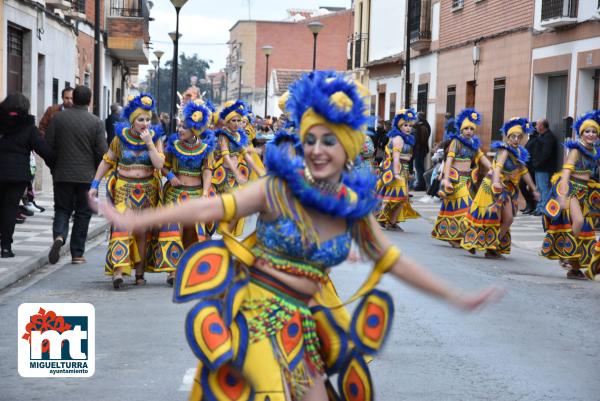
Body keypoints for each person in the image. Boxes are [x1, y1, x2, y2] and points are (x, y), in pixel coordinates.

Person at [95, 70, 502, 400]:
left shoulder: (350, 210)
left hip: (302, 326)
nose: (317, 150)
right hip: (254, 317)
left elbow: (393, 261)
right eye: (310, 140)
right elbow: (211, 207)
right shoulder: (280, 188)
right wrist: (136, 221)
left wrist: (457, 298)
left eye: (329, 141)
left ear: (348, 147)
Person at [89, 93, 164, 288]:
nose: (145, 123)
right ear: (132, 120)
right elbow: (107, 161)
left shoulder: (155, 138)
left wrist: (149, 143)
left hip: (148, 189)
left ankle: (139, 274)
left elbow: (159, 163)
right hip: (124, 188)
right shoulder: (120, 138)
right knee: (122, 227)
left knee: (141, 231)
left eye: (148, 119)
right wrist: (95, 185)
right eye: (141, 119)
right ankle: (118, 271)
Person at [461, 118, 540, 259]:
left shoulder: (520, 152)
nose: (515, 140)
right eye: (513, 136)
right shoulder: (504, 150)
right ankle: (481, 245)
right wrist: (496, 183)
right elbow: (497, 167)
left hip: (507, 188)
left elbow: (524, 171)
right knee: (490, 217)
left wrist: (534, 188)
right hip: (492, 185)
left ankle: (491, 245)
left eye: (518, 137)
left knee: (508, 219)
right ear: (508, 137)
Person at [45, 85, 107, 265]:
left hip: (62, 174)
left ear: (73, 99)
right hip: (86, 177)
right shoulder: (96, 122)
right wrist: (97, 173)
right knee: (82, 214)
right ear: (89, 101)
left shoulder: (57, 119)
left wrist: (55, 166)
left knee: (62, 209)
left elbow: (48, 146)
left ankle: (59, 236)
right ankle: (77, 254)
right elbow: (102, 152)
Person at [157, 99, 215, 286]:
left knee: (194, 233)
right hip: (175, 194)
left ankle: (193, 270)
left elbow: (208, 171)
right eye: (180, 125)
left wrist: (205, 192)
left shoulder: (206, 148)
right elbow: (164, 167)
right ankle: (173, 271)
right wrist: (171, 175)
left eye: (184, 127)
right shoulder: (173, 145)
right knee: (173, 231)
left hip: (196, 194)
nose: (179, 129)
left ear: (194, 131)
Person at [541, 110, 600, 280]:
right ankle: (565, 254)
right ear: (581, 133)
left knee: (586, 231)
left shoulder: (595, 151)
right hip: (571, 190)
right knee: (579, 221)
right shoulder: (576, 149)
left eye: (594, 131)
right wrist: (562, 194)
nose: (590, 134)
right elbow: (566, 171)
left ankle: (574, 269)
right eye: (587, 131)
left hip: (585, 192)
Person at [0, 93, 53, 258]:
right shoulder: (29, 127)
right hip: (17, 176)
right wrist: (56, 163)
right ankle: (6, 247)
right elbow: (43, 149)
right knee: (10, 209)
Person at [431, 108, 491, 247]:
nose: (469, 131)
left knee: (455, 209)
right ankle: (461, 237)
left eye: (471, 128)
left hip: (468, 181)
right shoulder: (456, 142)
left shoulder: (474, 144)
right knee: (466, 208)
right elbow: (449, 160)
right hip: (455, 180)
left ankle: (454, 237)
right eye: (466, 128)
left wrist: (493, 169)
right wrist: (446, 178)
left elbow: (482, 158)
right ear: (461, 130)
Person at [212, 100, 264, 235]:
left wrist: (259, 171)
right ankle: (223, 233)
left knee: (238, 207)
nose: (236, 123)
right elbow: (226, 156)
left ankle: (227, 233)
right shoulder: (223, 135)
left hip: (235, 175)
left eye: (238, 120)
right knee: (231, 206)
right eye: (233, 121)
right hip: (223, 174)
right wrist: (236, 173)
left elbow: (245, 154)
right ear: (228, 122)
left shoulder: (240, 135)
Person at [376, 108, 421, 231]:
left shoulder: (406, 139)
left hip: (403, 169)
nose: (408, 128)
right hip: (396, 169)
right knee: (397, 196)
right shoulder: (398, 139)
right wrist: (396, 173)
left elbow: (407, 156)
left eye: (410, 125)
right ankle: (382, 217)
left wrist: (406, 159)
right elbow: (395, 157)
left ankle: (391, 221)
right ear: (399, 126)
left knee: (402, 197)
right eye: (405, 125)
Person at [530, 118, 557, 216]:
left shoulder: (548, 137)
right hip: (538, 167)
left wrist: (537, 163)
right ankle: (539, 207)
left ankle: (543, 208)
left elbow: (546, 154)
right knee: (539, 188)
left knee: (543, 188)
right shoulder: (541, 136)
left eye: (537, 125)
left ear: (541, 126)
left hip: (544, 167)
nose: (536, 127)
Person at [519, 126, 539, 215]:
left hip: (531, 168)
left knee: (524, 185)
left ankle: (531, 206)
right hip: (526, 167)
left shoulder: (536, 140)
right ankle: (529, 205)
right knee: (522, 185)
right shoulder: (530, 139)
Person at [412, 111, 431, 191]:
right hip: (423, 149)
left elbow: (415, 140)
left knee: (418, 167)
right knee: (421, 166)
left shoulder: (417, 126)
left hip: (418, 150)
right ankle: (422, 183)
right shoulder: (427, 125)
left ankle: (420, 184)